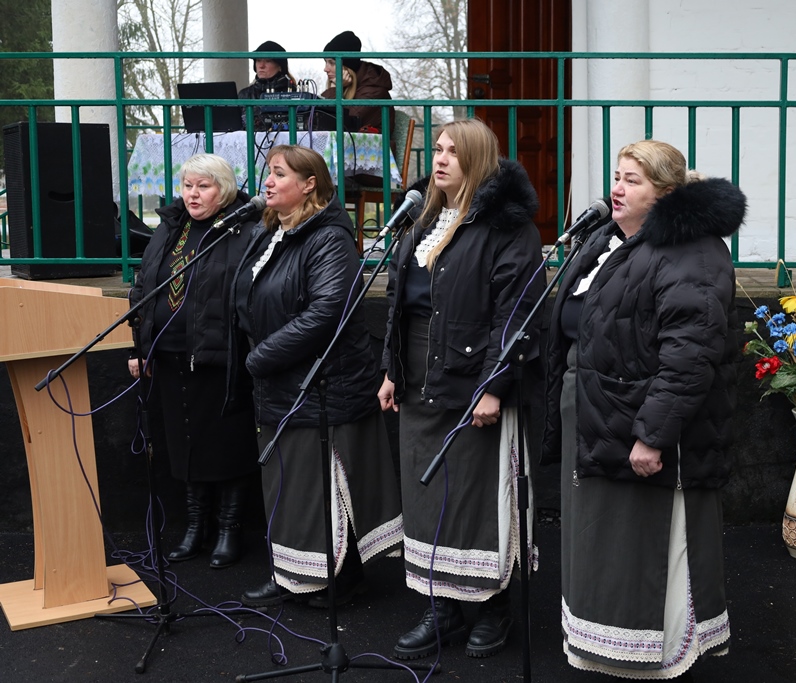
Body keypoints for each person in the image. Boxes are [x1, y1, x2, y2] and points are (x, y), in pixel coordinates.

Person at [544, 140, 747, 679]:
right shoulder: (609, 240)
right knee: (602, 543)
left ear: (666, 192)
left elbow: (691, 354)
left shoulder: (692, 252)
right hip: (596, 415)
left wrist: (652, 435)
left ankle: (657, 659)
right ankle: (608, 652)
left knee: (643, 548)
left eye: (632, 180)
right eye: (616, 176)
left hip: (643, 426)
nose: (617, 188)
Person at [378, 118, 544, 660]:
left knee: (477, 500)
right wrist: (391, 369)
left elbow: (515, 315)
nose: (440, 159)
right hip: (420, 376)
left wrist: (492, 386)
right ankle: (442, 609)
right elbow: (400, 304)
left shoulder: (507, 227)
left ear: (477, 160)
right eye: (438, 150)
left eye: (453, 151)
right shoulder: (423, 217)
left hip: (474, 379)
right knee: (427, 497)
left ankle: (493, 608)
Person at [230, 145, 403, 609]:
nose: (268, 181)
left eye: (279, 174)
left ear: (309, 185)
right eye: (268, 172)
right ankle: (292, 574)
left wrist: (261, 356)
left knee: (322, 486)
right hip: (278, 381)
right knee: (288, 484)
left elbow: (327, 311)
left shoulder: (329, 238)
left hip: (324, 382)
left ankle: (340, 578)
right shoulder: (270, 232)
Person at [128, 153, 259, 570]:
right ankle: (195, 526)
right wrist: (141, 347)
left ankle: (229, 529)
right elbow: (144, 288)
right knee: (184, 444)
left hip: (220, 359)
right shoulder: (171, 228)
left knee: (226, 446)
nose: (193, 194)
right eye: (188, 186)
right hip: (168, 357)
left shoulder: (244, 230)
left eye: (203, 186)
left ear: (225, 189)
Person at [321, 31, 393, 131]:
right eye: (326, 62)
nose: (325, 69)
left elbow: (341, 123)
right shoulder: (346, 85)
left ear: (347, 66)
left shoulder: (374, 91)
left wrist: (335, 89)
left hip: (369, 142)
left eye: (332, 63)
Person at [238, 40, 296, 130]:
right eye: (258, 60)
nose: (261, 66)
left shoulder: (295, 93)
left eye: (268, 61)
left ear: (280, 66)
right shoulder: (244, 94)